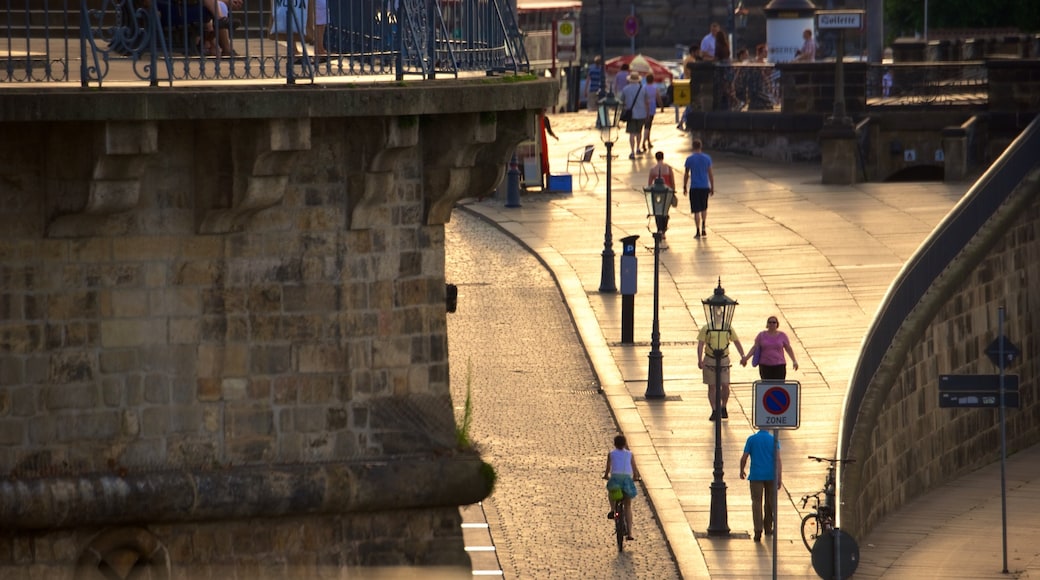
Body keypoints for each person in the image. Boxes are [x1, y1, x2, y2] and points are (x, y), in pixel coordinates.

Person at [697, 307, 745, 421]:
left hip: (723, 358)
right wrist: (699, 359)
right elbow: (700, 344)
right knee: (712, 386)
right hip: (710, 358)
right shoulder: (706, 328)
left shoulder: (728, 328)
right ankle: (714, 409)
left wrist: (743, 355)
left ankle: (723, 406)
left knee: (725, 384)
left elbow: (736, 342)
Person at [740, 428, 782, 542]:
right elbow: (778, 459)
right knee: (769, 502)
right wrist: (779, 477)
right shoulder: (774, 440)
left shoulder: (752, 439)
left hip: (756, 475)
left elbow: (744, 457)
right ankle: (768, 527)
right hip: (771, 475)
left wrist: (741, 470)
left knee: (756, 503)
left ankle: (757, 530)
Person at [603, 434, 640, 541]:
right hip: (626, 480)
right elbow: (634, 467)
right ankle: (630, 533)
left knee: (611, 492)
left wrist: (606, 476)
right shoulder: (630, 454)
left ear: (614, 444)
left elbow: (608, 467)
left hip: (615, 479)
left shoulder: (611, 454)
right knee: (627, 506)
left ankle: (613, 509)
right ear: (625, 444)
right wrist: (636, 477)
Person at [741, 316, 799, 380]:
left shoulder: (782, 335)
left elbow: (788, 348)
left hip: (779, 365)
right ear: (767, 324)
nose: (772, 324)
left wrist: (794, 361)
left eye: (774, 322)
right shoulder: (761, 335)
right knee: (767, 387)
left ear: (777, 324)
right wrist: (746, 358)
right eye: (770, 322)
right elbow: (755, 348)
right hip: (765, 365)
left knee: (778, 387)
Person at [682, 138, 713, 237]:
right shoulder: (707, 158)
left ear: (693, 147)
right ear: (701, 146)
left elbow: (686, 174)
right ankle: (704, 224)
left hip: (694, 186)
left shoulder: (689, 159)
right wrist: (712, 186)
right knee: (704, 207)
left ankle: (698, 230)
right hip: (704, 186)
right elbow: (710, 173)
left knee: (696, 210)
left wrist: (684, 186)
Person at [620, 71, 649, 160]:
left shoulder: (625, 89)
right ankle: (638, 148)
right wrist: (647, 113)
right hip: (641, 113)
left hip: (631, 114)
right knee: (639, 132)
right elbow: (646, 102)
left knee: (632, 133)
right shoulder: (643, 89)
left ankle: (632, 151)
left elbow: (622, 102)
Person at [641, 74, 662, 151]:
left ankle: (648, 141)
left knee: (647, 125)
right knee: (648, 126)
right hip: (652, 108)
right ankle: (644, 142)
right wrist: (661, 106)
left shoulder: (643, 88)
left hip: (644, 108)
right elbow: (658, 97)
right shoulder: (655, 87)